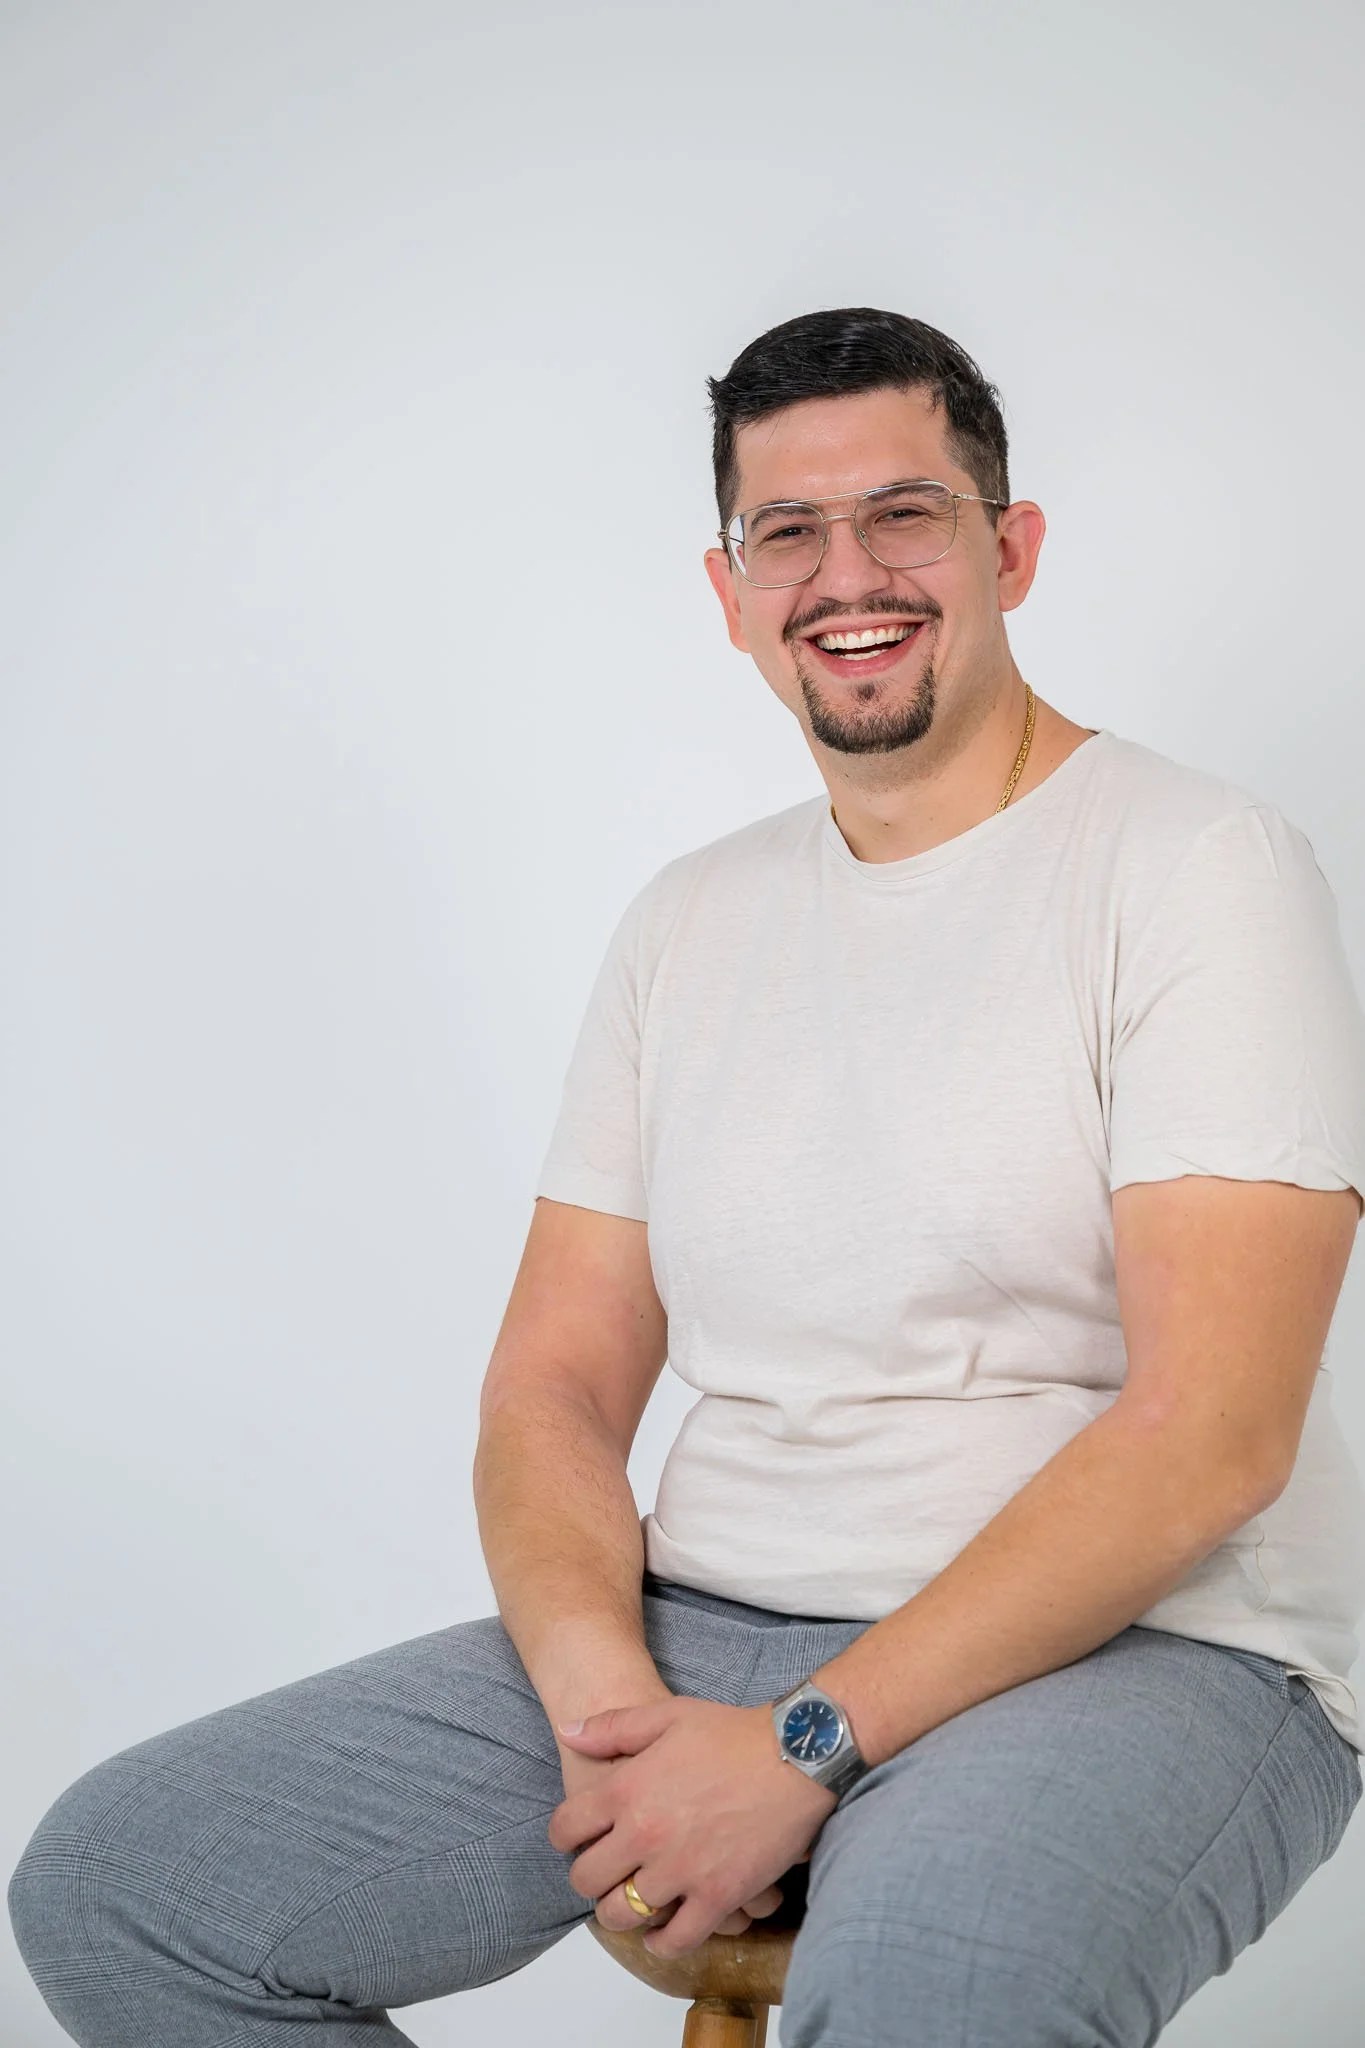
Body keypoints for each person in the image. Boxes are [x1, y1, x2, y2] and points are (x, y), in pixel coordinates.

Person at [10, 307, 1365, 2048]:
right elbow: (554, 1387)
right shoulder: (690, 924)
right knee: (129, 1887)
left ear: (1011, 549)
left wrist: (807, 1745)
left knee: (935, 1999)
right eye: (786, 532)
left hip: (1149, 1647)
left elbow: (1212, 1434)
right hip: (707, 1623)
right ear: (729, 592)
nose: (845, 574)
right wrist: (606, 1713)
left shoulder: (1200, 867)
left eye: (905, 514)